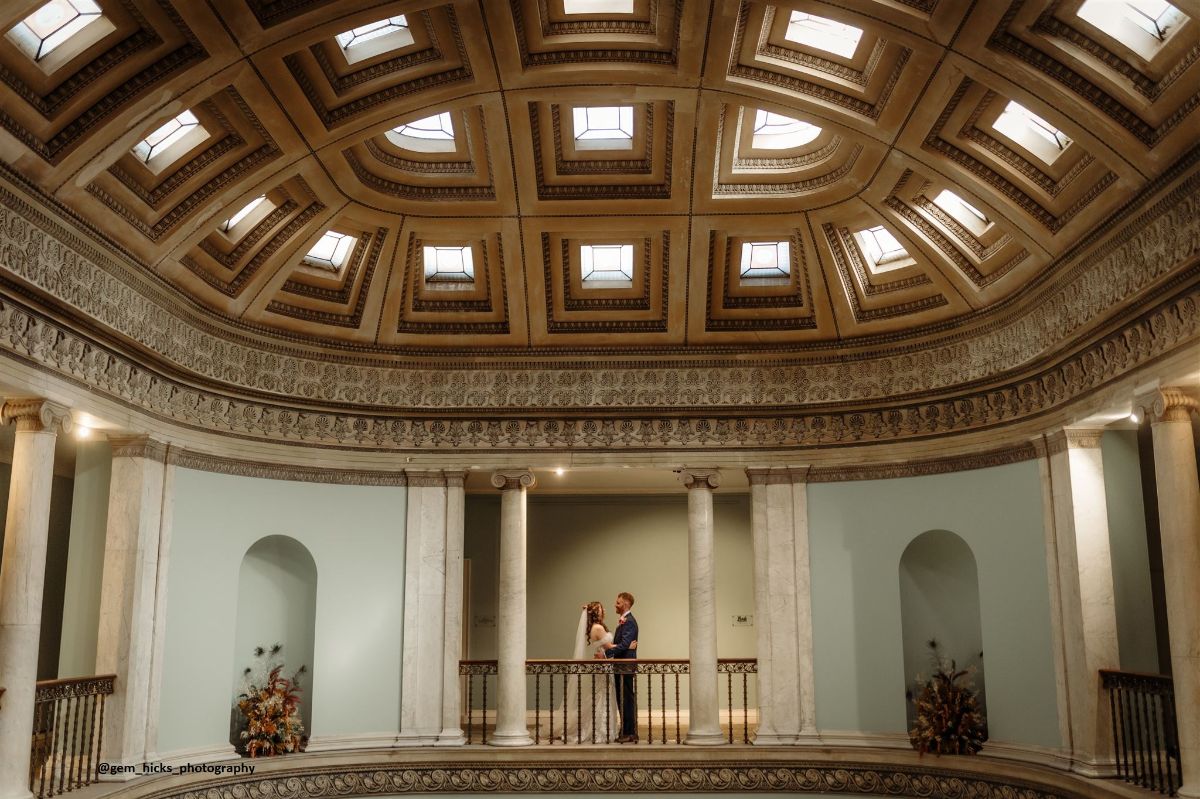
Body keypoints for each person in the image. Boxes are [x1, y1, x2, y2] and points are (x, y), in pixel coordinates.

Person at [546, 601, 619, 743]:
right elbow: (609, 646)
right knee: (601, 696)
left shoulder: (594, 627)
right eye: (600, 609)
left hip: (602, 664)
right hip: (602, 666)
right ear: (596, 613)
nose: (603, 610)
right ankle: (599, 730)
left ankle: (600, 727)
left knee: (600, 696)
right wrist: (627, 645)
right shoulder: (598, 628)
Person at [602, 592, 639, 743]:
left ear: (625, 604)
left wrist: (605, 654)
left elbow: (624, 645)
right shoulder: (624, 621)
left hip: (625, 667)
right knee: (622, 699)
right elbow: (624, 645)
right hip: (620, 666)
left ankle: (629, 733)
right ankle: (626, 730)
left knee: (626, 700)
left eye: (618, 603)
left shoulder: (629, 621)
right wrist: (625, 647)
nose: (615, 605)